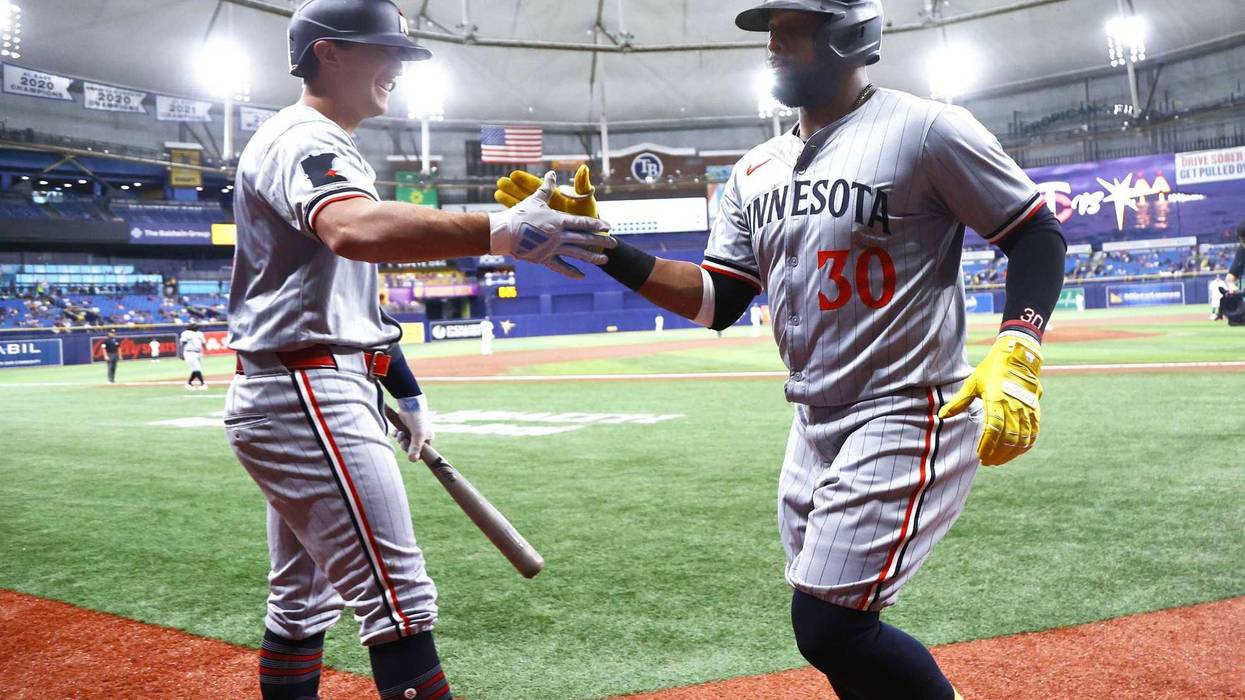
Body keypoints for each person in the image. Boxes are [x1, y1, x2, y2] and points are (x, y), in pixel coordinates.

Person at [496, 2, 1065, 698]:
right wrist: (606, 250)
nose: (772, 42)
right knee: (838, 632)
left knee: (829, 625)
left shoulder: (927, 129)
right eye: (771, 30)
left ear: (849, 35)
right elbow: (717, 299)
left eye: (791, 27)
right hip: (810, 421)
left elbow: (1034, 233)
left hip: (907, 404)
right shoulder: (753, 170)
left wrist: (1019, 343)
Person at [224, 2, 611, 699]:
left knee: (301, 605)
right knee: (400, 605)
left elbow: (348, 298)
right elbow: (352, 229)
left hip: (307, 385)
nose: (398, 66)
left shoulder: (313, 139)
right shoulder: (303, 138)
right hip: (308, 389)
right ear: (329, 53)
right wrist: (497, 229)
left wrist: (403, 391)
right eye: (384, 51)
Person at [180, 323, 208, 390]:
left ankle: (189, 384)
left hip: (198, 353)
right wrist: (181, 353)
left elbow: (203, 342)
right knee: (197, 368)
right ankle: (203, 384)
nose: (196, 327)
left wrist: (205, 350)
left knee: (195, 369)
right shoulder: (186, 333)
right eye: (194, 326)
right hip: (189, 352)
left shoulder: (199, 333)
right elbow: (183, 343)